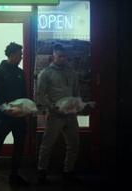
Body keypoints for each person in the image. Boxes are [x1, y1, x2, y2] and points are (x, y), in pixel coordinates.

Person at [36, 44, 80, 183]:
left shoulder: (72, 72)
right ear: (53, 56)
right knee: (48, 143)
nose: (63, 59)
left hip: (70, 114)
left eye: (65, 57)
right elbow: (40, 95)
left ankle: (69, 171)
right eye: (60, 56)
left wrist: (77, 105)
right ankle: (42, 171)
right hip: (55, 114)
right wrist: (52, 107)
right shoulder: (46, 73)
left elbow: (76, 92)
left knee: (74, 144)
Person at [0, 42, 29, 185]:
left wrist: (24, 109)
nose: (21, 57)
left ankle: (14, 175)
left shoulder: (20, 73)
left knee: (19, 145)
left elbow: (24, 95)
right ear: (11, 54)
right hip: (4, 117)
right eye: (19, 54)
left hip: (19, 117)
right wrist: (6, 110)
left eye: (21, 54)